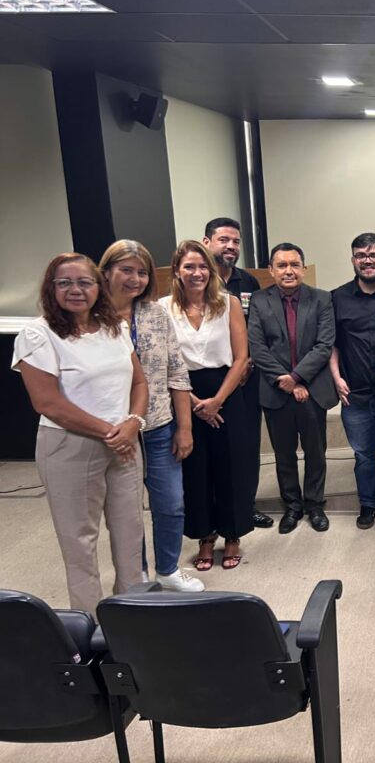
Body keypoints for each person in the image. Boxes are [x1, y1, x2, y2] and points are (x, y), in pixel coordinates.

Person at [13, 253, 147, 614]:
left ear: (98, 287)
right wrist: (111, 431)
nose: (76, 290)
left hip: (125, 444)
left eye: (85, 282)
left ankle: (133, 615)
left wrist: (133, 422)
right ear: (51, 288)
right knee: (80, 543)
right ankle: (88, 622)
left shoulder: (114, 327)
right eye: (65, 283)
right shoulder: (38, 334)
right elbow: (48, 403)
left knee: (130, 533)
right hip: (70, 445)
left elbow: (139, 382)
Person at [99, 239, 204, 592]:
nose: (135, 279)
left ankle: (168, 570)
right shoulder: (90, 317)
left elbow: (177, 372)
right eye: (126, 270)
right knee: (126, 512)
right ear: (106, 272)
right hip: (115, 431)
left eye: (142, 272)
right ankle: (137, 574)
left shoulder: (156, 314)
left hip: (159, 426)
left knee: (171, 504)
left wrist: (185, 428)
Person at [160, 240, 254, 570]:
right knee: (195, 470)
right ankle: (205, 537)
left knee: (231, 467)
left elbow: (241, 357)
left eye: (203, 267)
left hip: (226, 391)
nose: (197, 273)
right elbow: (165, 362)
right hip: (183, 393)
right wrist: (195, 402)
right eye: (189, 266)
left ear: (211, 271)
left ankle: (232, 536)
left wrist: (216, 401)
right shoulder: (163, 308)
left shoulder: (228, 304)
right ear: (177, 270)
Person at [248, 242, 338, 534]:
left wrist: (298, 378)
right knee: (283, 454)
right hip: (276, 391)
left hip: (312, 390)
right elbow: (257, 348)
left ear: (303, 268)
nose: (289, 271)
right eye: (282, 265)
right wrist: (286, 381)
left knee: (316, 453)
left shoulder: (322, 298)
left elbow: (324, 345)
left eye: (294, 265)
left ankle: (314, 505)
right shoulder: (259, 301)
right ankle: (293, 506)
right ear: (271, 270)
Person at [203, 217, 273, 529]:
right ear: (207, 242)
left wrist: (250, 362)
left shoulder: (249, 283)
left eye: (235, 241)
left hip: (246, 378)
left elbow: (259, 328)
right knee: (212, 448)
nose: (230, 246)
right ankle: (213, 511)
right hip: (209, 379)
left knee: (246, 447)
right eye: (224, 240)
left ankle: (246, 506)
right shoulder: (199, 280)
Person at [330, 232, 375, 529]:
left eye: (373, 255)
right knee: (363, 456)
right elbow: (332, 344)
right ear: (353, 260)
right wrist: (336, 378)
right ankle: (368, 503)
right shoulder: (337, 297)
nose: (367, 261)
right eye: (361, 255)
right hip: (354, 394)